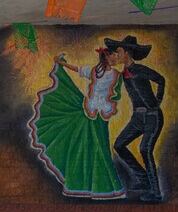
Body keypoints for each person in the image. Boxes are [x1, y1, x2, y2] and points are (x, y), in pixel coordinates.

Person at [28, 47, 126, 199]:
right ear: (106, 57)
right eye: (113, 55)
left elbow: (116, 93)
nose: (115, 58)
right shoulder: (94, 72)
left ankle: (102, 186)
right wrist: (61, 63)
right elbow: (77, 69)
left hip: (103, 115)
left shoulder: (117, 75)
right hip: (90, 112)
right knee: (93, 147)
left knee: (102, 146)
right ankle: (98, 186)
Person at [105, 35, 166, 203]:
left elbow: (160, 79)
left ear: (127, 52)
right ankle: (144, 180)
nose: (117, 54)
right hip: (137, 117)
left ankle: (156, 192)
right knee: (119, 144)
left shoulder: (140, 70)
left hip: (152, 116)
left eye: (119, 51)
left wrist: (158, 100)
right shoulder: (124, 74)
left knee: (145, 150)